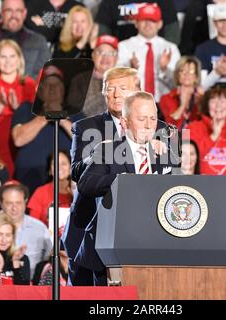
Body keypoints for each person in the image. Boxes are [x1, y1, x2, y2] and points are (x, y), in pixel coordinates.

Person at [63, 66, 179, 286]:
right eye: (110, 88)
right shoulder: (87, 127)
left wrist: (151, 144)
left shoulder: (162, 131)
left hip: (144, 234)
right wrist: (101, 153)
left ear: (137, 91)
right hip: (91, 228)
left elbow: (174, 175)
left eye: (123, 88)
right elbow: (78, 174)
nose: (116, 94)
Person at [0, 39, 36, 177]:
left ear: (19, 59)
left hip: (23, 142)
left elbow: (36, 116)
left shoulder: (29, 83)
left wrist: (19, 109)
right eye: (3, 57)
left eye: (12, 56)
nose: (7, 61)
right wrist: (1, 104)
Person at [11, 66, 72, 195]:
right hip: (29, 180)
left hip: (64, 185)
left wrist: (61, 118)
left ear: (63, 90)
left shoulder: (74, 113)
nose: (53, 90)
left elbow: (85, 141)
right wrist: (45, 116)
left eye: (57, 85)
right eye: (48, 85)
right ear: (38, 90)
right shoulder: (26, 109)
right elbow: (18, 139)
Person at [0, 182, 53, 279]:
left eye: (18, 203)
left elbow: (48, 260)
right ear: (0, 203)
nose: (14, 208)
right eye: (9, 203)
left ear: (25, 201)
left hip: (31, 288)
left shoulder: (40, 229)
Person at [0, 0, 50, 84]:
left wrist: (22, 88)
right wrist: (4, 85)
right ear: (2, 13)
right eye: (9, 10)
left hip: (28, 93)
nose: (13, 15)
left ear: (24, 13)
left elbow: (44, 73)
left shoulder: (39, 41)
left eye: (18, 11)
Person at [116, 3, 181, 102]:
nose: (148, 24)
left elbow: (177, 85)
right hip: (132, 104)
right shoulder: (123, 46)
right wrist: (129, 69)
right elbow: (115, 82)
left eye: (152, 21)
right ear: (136, 23)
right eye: (143, 20)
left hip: (164, 107)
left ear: (160, 24)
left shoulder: (170, 48)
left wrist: (164, 70)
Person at [94, 0, 180, 45]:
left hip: (156, 52)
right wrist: (111, 53)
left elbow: (172, 30)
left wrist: (167, 49)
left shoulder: (164, 1)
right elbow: (103, 31)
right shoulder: (110, 2)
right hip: (121, 53)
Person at [28, 150, 74, 226]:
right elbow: (33, 224)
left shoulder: (79, 192)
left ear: (71, 168)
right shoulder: (41, 192)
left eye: (64, 164)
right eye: (55, 164)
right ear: (50, 170)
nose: (59, 167)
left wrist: (75, 196)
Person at [159, 56, 203, 130]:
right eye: (182, 70)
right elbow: (172, 127)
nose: (186, 74)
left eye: (191, 71)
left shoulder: (202, 97)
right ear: (177, 75)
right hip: (176, 139)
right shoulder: (167, 98)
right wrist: (182, 106)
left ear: (196, 76)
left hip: (197, 138)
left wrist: (202, 101)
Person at [81, 34, 119, 118]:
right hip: (89, 128)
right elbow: (86, 111)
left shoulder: (126, 80)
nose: (105, 57)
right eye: (101, 52)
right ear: (93, 55)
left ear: (116, 58)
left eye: (111, 53)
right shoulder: (81, 80)